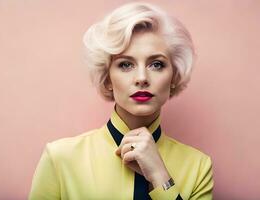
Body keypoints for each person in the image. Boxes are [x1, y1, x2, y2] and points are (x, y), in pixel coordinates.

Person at [29, 2, 214, 200]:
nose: (142, 77)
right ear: (107, 78)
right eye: (126, 64)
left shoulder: (198, 167)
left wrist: (160, 177)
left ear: (174, 77)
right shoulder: (60, 158)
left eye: (156, 64)